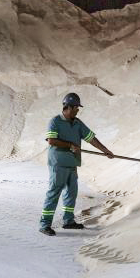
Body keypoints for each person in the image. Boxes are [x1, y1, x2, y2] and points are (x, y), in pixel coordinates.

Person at [40, 92, 114, 236]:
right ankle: (44, 224)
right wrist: (70, 145)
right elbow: (51, 140)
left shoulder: (77, 123)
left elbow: (91, 138)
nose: (78, 110)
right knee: (54, 193)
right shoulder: (55, 121)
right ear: (69, 107)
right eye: (76, 107)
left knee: (71, 193)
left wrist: (105, 150)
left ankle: (68, 222)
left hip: (72, 163)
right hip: (58, 163)